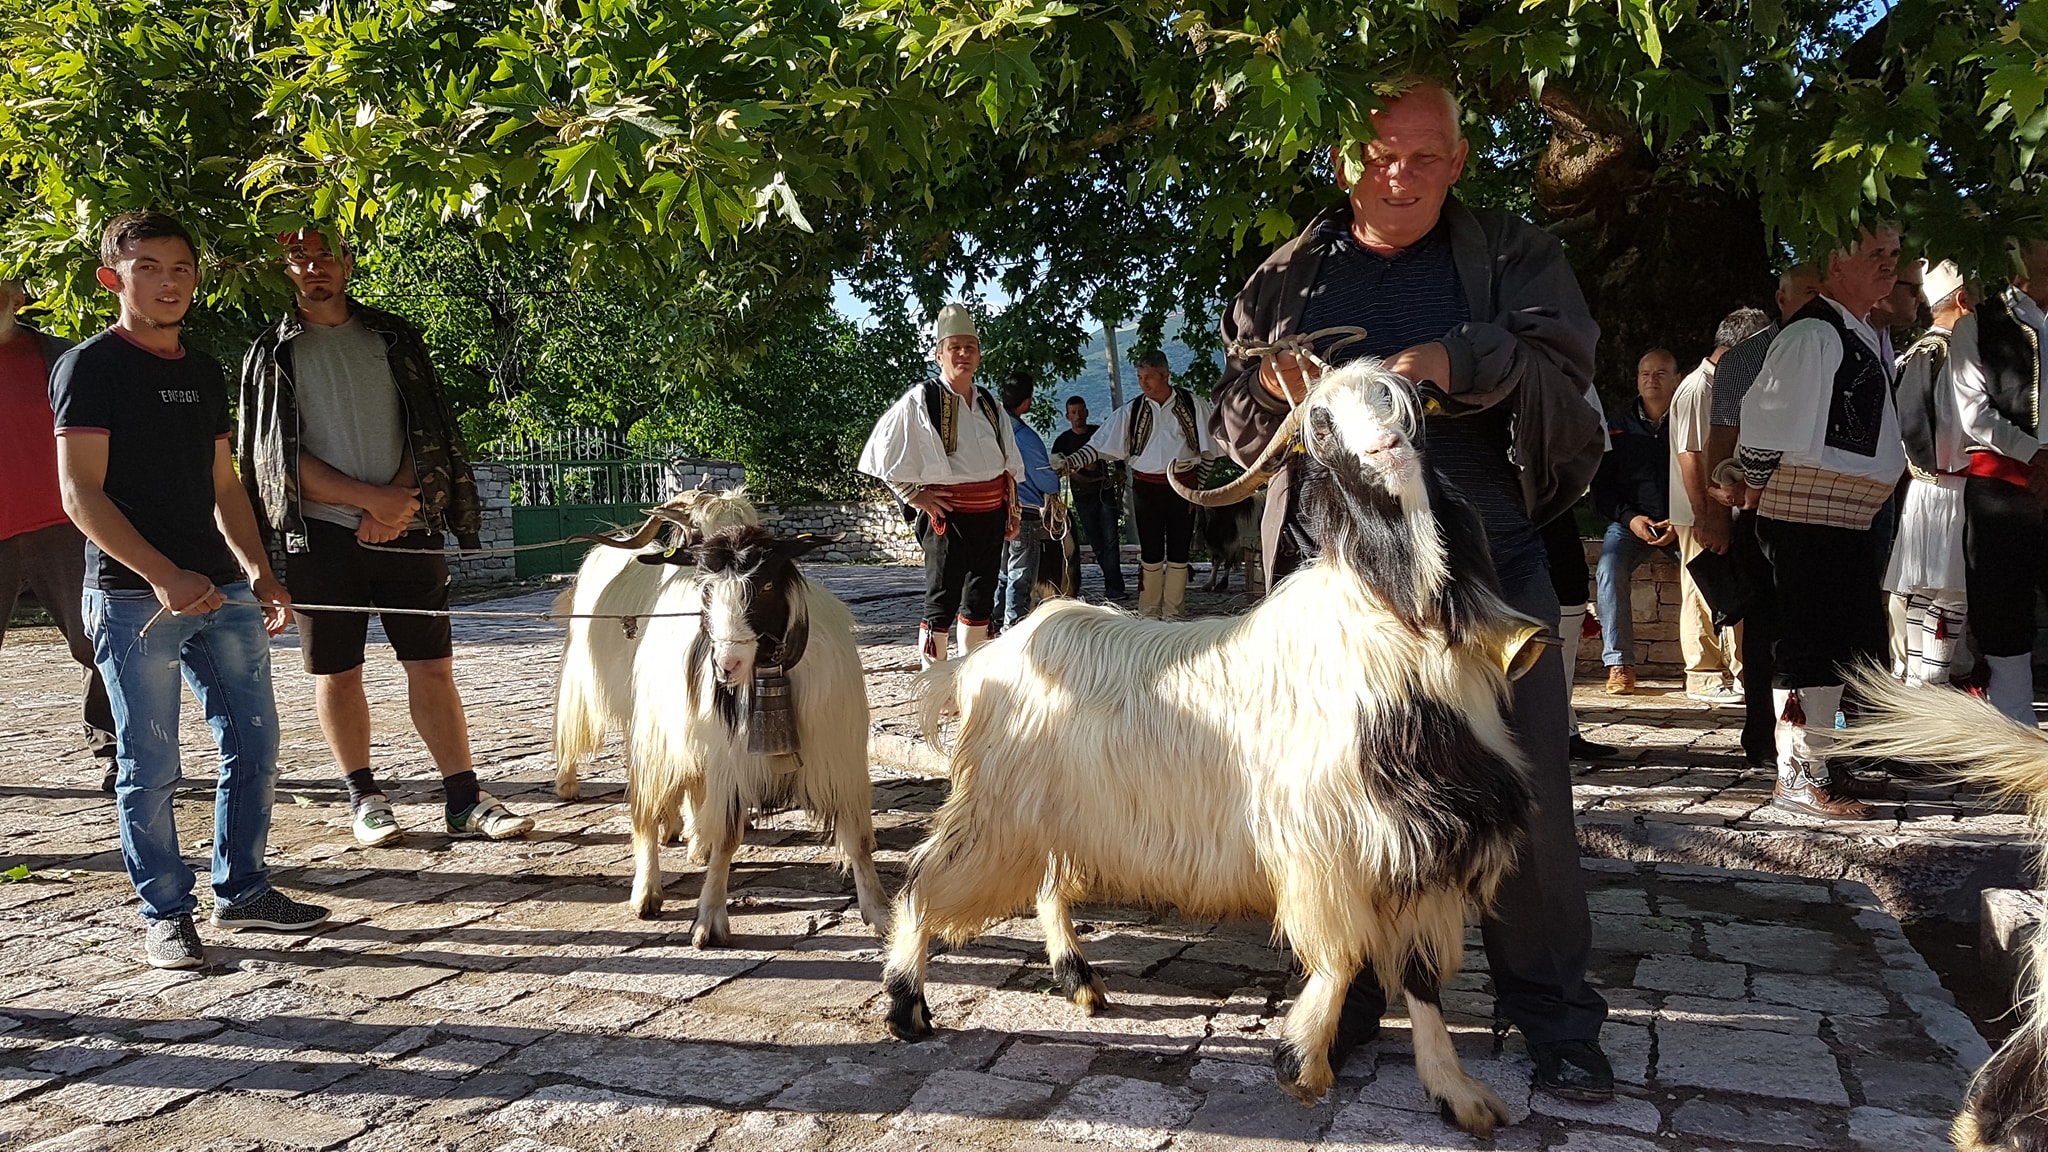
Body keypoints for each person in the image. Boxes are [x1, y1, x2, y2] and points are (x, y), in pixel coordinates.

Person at [1211, 79, 1613, 1100]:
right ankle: (1343, 996)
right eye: (1378, 154)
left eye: (1424, 155)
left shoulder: (1514, 255)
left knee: (1522, 795)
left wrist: (1449, 358)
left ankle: (1553, 1015)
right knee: (1338, 795)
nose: (1399, 175)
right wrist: (1266, 390)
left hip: (1490, 575)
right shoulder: (1283, 278)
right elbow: (1231, 422)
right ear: (1343, 159)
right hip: (1336, 597)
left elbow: (1561, 365)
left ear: (1459, 161)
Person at [53, 210, 329, 970]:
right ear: (112, 279)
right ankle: (166, 913)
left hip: (222, 592)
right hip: (133, 598)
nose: (167, 283)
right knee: (150, 766)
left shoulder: (204, 370)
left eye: (180, 269)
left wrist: (260, 572)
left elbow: (223, 484)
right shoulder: (89, 368)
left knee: (256, 744)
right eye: (147, 268)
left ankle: (243, 889)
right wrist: (161, 575)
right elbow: (80, 494)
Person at [239, 228, 531, 848]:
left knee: (432, 667)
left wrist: (398, 502)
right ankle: (365, 798)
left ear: (347, 262)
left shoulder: (394, 337)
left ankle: (464, 799)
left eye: (326, 254)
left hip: (409, 524)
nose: (314, 267)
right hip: (320, 536)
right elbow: (272, 454)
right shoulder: (271, 351)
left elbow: (428, 427)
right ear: (283, 268)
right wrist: (367, 501)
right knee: (338, 672)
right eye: (299, 257)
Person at [1734, 225, 1907, 819]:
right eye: (1875, 254)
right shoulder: (1814, 332)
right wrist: (1756, 485)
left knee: (1837, 643)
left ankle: (1822, 760)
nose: (1889, 265)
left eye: (1894, 254)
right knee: (1807, 642)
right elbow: (1765, 423)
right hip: (1807, 513)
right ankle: (1797, 775)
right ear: (1835, 264)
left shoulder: (1856, 331)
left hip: (1846, 517)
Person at [1704, 265, 1825, 769]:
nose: (1817, 302)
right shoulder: (1748, 357)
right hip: (1763, 513)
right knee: (1765, 631)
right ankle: (1762, 735)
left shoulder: (1846, 346)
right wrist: (1716, 513)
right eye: (1809, 292)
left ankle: (1829, 736)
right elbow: (1721, 441)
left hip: (1831, 512)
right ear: (1781, 297)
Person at [0, 278, 118, 791]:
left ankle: (115, 752)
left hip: (65, 527)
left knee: (98, 644)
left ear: (19, 297)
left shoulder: (63, 358)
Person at [859, 305, 1023, 667]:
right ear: (939, 355)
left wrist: (1012, 509)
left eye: (970, 347)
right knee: (942, 603)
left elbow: (1008, 464)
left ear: (979, 355)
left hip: (991, 515)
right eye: (955, 347)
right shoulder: (921, 399)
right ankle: (935, 684)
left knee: (980, 601)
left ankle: (972, 680)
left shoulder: (990, 403)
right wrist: (914, 494)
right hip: (948, 517)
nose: (963, 354)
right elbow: (882, 454)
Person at [1949, 238, 2048, 725]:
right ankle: (2014, 732)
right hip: (2003, 491)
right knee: (2003, 614)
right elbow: (1973, 412)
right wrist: (2035, 456)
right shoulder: (1977, 324)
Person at [1052, 350, 1215, 619]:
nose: (1143, 383)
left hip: (1183, 487)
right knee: (1150, 551)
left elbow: (1211, 450)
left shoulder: (1193, 404)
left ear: (1165, 375)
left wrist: (1198, 488)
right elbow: (1098, 446)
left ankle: (1174, 612)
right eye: (1139, 377)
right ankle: (1148, 613)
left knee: (1179, 550)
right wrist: (1068, 463)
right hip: (1146, 487)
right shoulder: (1132, 411)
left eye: (1148, 377)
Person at [1668, 310, 1773, 704]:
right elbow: (1691, 454)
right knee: (1702, 591)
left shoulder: (1722, 383)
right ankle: (1703, 674)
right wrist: (1706, 516)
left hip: (1720, 506)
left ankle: (1739, 670)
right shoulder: (1699, 388)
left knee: (1730, 588)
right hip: (1698, 510)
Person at [1884, 260, 1973, 687]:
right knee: (1949, 592)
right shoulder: (1949, 354)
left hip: (1927, 484)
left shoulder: (1917, 352)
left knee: (1924, 591)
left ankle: (1921, 683)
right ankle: (1931, 687)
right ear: (1962, 301)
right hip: (1949, 483)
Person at [1592, 350, 1680, 694]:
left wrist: (1682, 521)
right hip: (1630, 523)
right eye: (1645, 373)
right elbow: (1601, 491)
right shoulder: (1616, 426)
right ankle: (1619, 664)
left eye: (1660, 373)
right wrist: (1630, 519)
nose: (1651, 379)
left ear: (1676, 380)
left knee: (1710, 569)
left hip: (1681, 523)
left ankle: (1715, 667)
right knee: (1608, 568)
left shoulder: (1690, 421)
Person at [995, 372, 1061, 630]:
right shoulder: (1025, 437)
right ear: (1026, 402)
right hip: (1024, 512)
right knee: (1021, 574)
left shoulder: (991, 433)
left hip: (995, 510)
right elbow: (1047, 482)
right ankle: (1014, 628)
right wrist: (1055, 477)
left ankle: (993, 622)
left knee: (1001, 573)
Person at [1052, 396, 1128, 600]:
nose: (1078, 416)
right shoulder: (1062, 442)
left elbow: (1116, 454)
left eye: (1080, 411)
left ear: (1086, 412)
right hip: (1082, 497)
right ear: (1068, 416)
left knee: (1111, 541)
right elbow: (1056, 467)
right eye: (1073, 412)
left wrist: (1120, 471)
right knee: (1097, 542)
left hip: (1104, 493)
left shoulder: (1099, 434)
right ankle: (1112, 582)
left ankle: (1115, 587)